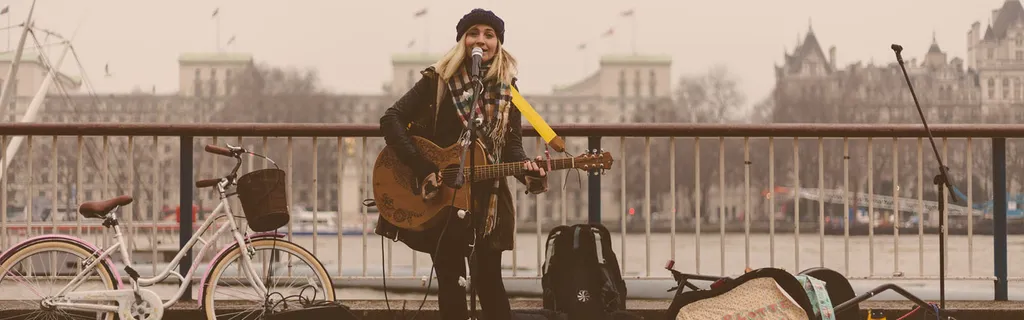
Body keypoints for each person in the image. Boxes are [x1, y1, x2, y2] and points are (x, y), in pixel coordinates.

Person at [374, 8, 549, 320]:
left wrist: (529, 173)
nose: (480, 40)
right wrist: (422, 166)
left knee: (490, 284)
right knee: (451, 285)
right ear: (462, 40)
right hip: (443, 198)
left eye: (488, 34)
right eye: (473, 33)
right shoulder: (437, 82)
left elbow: (511, 148)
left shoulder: (510, 90)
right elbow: (392, 118)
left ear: (498, 43)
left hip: (487, 201)